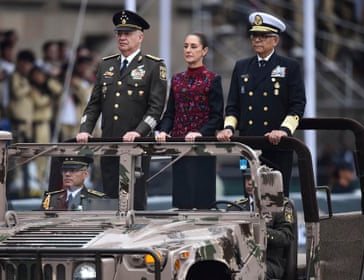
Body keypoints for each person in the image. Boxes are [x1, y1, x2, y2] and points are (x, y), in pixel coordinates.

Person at [76, 10, 167, 210]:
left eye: (127, 33)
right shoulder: (106, 65)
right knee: (109, 196)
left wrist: (139, 132)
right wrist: (85, 129)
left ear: (140, 37)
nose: (122, 37)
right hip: (109, 143)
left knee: (135, 199)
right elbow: (94, 104)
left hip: (136, 145)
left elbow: (156, 109)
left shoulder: (153, 66)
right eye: (119, 33)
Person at [217, 12, 306, 196]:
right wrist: (228, 128)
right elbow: (233, 106)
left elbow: (297, 105)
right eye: (254, 35)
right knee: (249, 194)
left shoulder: (289, 67)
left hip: (277, 144)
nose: (257, 40)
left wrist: (284, 131)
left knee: (277, 197)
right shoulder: (242, 67)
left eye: (263, 36)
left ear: (275, 40)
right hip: (248, 144)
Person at [155, 32, 223, 209]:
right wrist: (163, 131)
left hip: (203, 146)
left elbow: (217, 116)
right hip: (179, 144)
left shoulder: (212, 79)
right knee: (181, 196)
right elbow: (170, 112)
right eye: (186, 46)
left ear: (204, 51)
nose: (188, 50)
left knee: (202, 197)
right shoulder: (177, 79)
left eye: (193, 46)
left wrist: (200, 133)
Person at [41, 157, 107, 210]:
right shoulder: (51, 199)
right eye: (64, 170)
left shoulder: (98, 200)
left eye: (73, 170)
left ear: (85, 174)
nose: (67, 174)